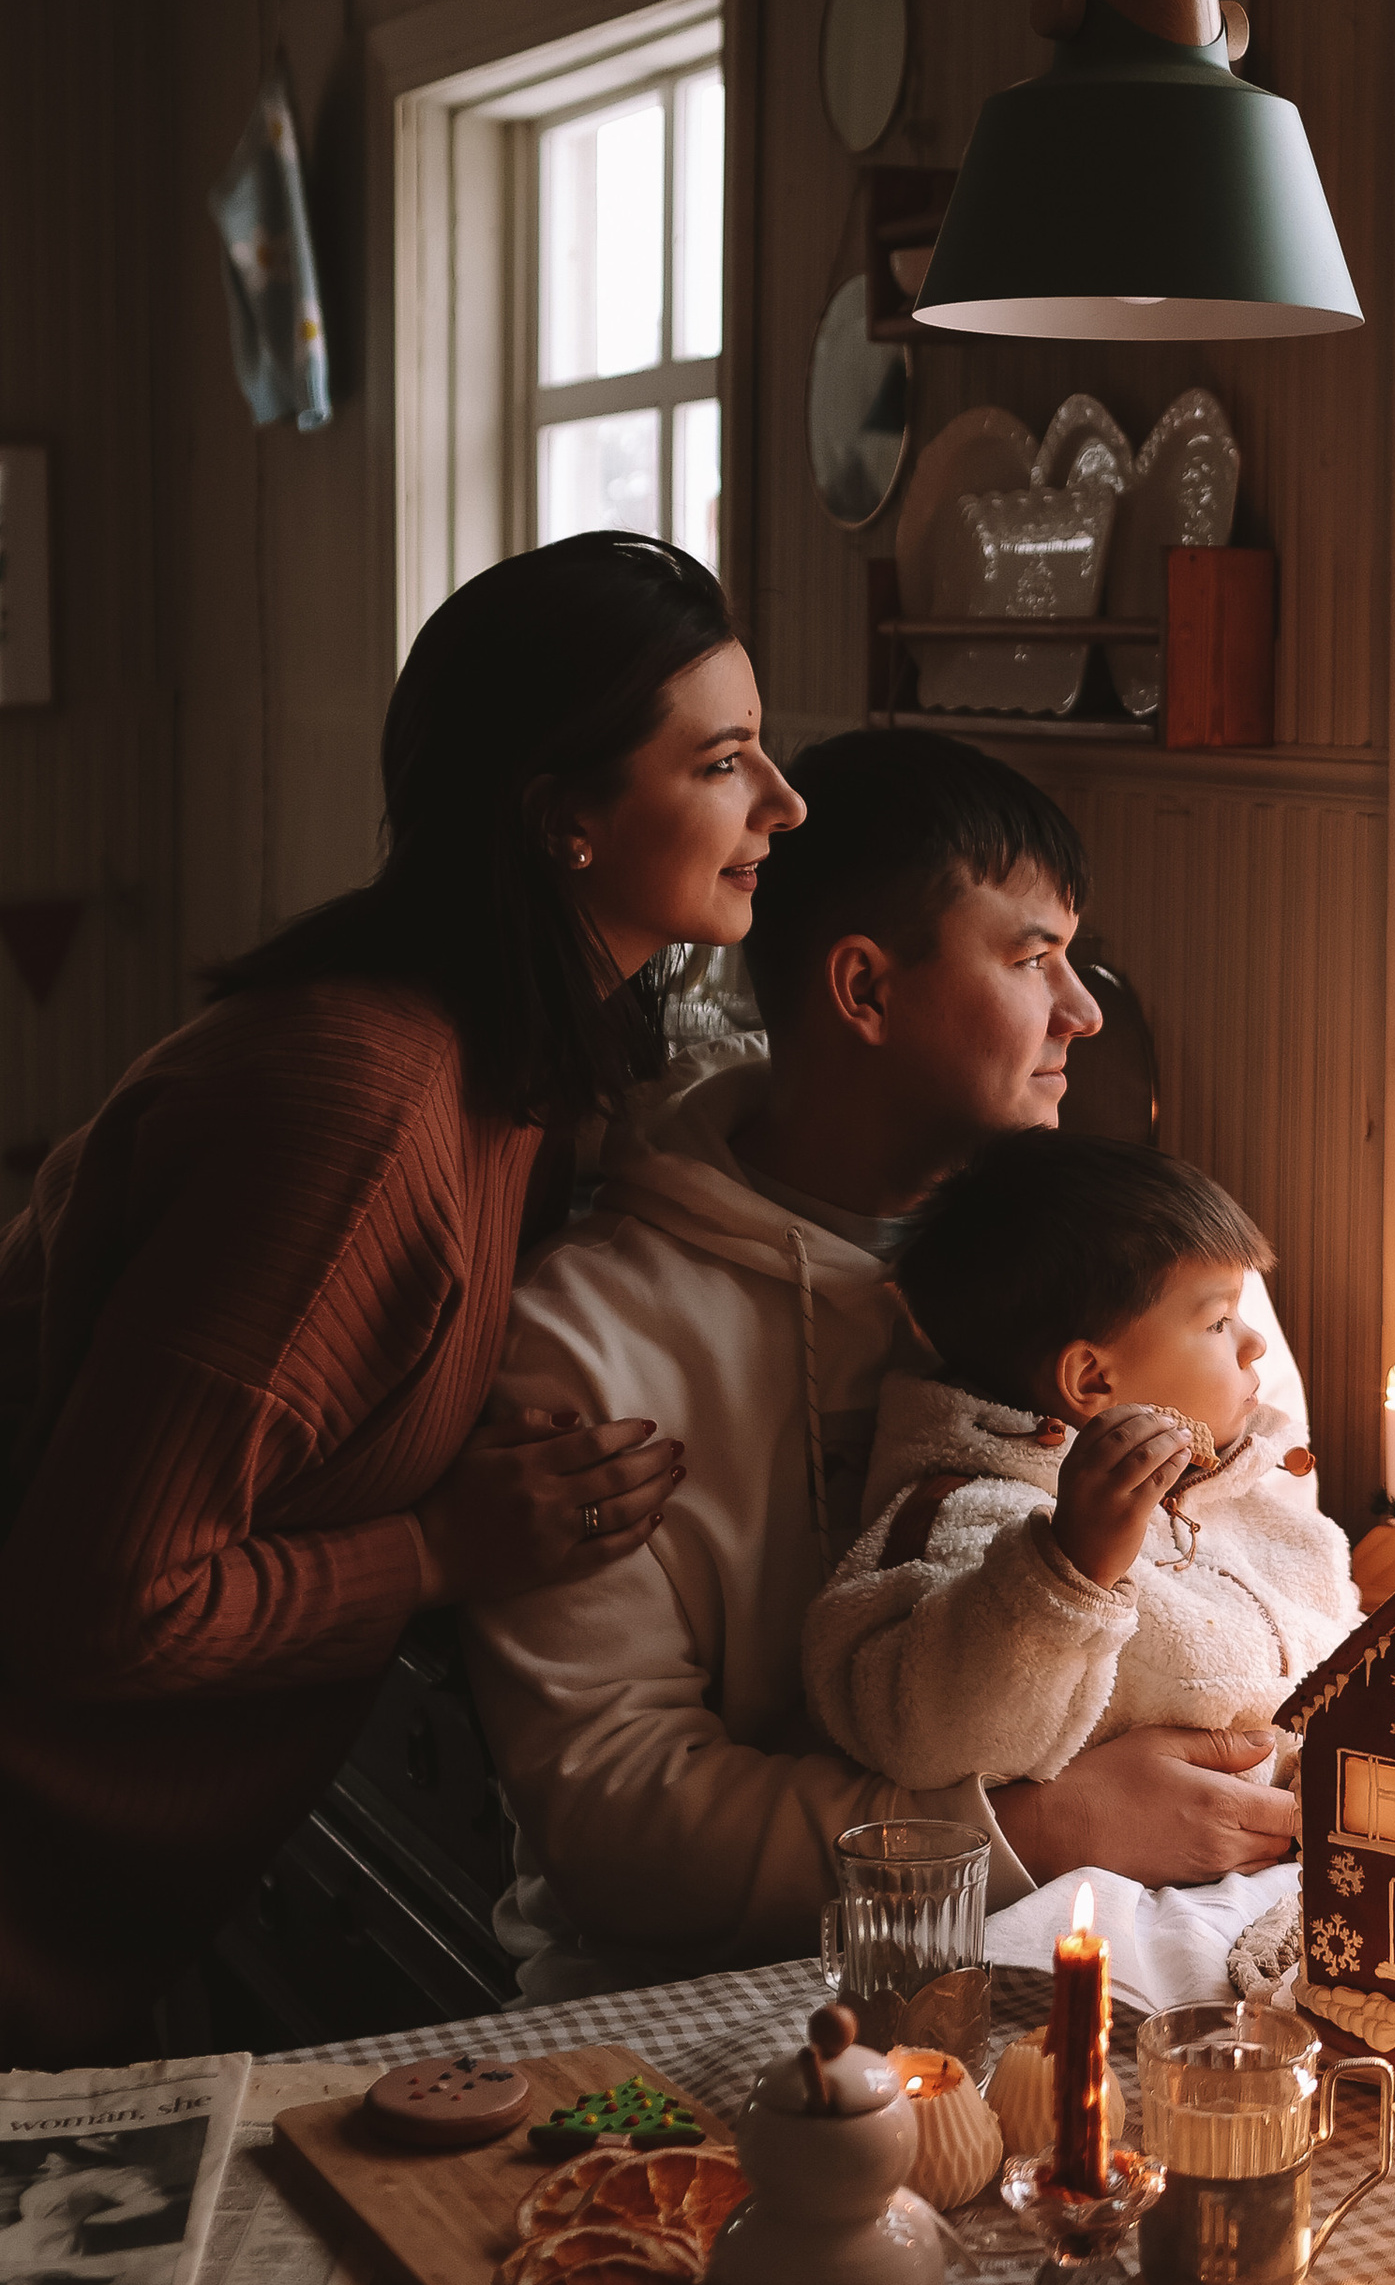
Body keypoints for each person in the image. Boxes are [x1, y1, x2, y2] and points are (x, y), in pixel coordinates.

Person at [0, 534, 803, 2064]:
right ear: (563, 818)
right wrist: (437, 1550)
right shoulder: (364, 1111)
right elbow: (92, 1614)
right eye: (725, 763)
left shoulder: (523, 1065)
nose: (785, 804)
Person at [464, 731, 1305, 2004]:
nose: (1083, 1009)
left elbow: (1282, 1584)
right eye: (1032, 958)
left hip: (1140, 1955)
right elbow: (615, 1815)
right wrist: (1039, 1827)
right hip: (714, 1998)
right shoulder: (586, 1333)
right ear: (863, 990)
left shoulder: (1152, 1270)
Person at [804, 1137, 1356, 1790]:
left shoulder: (1249, 1500)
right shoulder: (982, 1527)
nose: (1255, 1341)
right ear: (1092, 1379)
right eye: (1218, 1322)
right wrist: (1069, 1571)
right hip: (1142, 1883)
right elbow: (930, 1737)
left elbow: (1343, 1647)